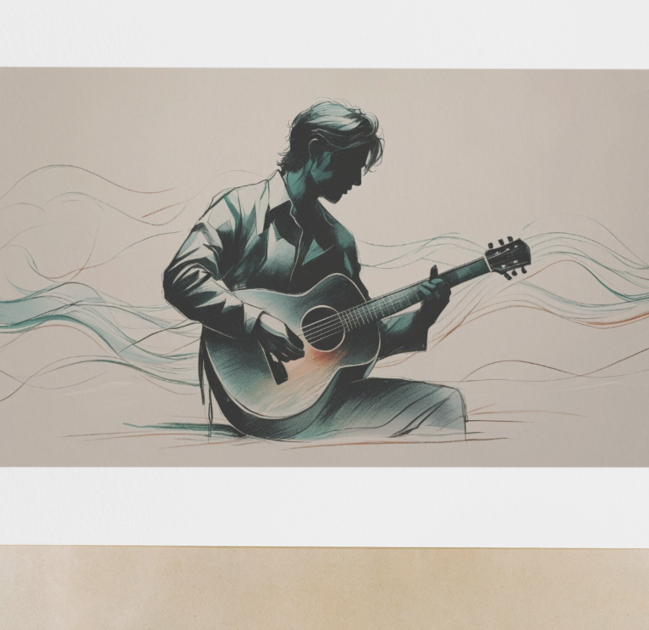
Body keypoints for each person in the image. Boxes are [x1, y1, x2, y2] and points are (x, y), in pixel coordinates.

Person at [163, 100, 465, 439]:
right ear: (316, 150)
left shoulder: (339, 242)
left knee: (445, 403)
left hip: (319, 397)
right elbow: (181, 276)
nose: (357, 180)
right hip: (250, 394)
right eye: (351, 164)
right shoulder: (239, 208)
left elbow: (360, 339)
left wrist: (424, 317)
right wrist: (256, 322)